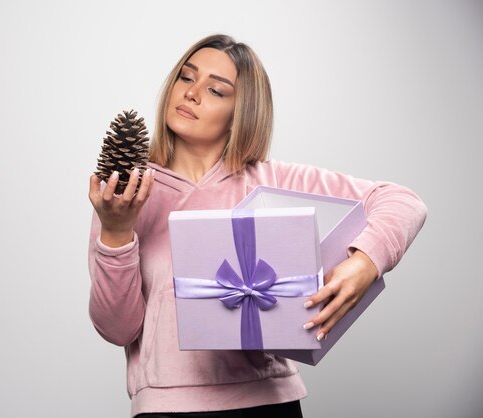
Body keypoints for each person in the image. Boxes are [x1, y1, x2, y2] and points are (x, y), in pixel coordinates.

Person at [87, 34, 427, 418]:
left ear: (241, 113)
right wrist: (116, 232)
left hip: (269, 404)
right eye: (186, 78)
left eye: (216, 90)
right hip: (165, 408)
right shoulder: (125, 192)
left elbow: (402, 201)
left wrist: (363, 264)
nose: (193, 93)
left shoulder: (271, 181)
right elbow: (117, 329)